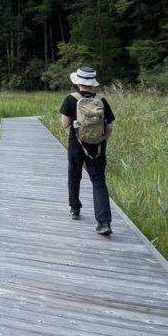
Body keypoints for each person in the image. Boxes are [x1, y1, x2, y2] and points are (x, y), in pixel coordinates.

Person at [59, 66, 116, 236]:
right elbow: (110, 125)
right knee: (98, 181)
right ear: (92, 83)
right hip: (97, 147)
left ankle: (75, 209)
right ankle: (104, 222)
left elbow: (65, 124)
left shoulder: (70, 99)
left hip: (76, 145)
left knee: (74, 175)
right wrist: (102, 140)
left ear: (78, 82)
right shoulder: (102, 100)